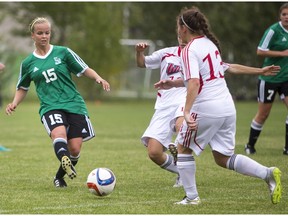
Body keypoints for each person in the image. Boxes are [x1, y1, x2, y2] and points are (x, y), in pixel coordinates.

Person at [155, 6, 282, 205]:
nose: (177, 31)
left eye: (178, 27)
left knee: (183, 148)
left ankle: (191, 198)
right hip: (226, 107)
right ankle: (268, 174)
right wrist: (260, 70)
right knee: (223, 158)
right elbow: (226, 69)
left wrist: (186, 111)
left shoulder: (189, 50)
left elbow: (196, 83)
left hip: (207, 107)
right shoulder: (209, 45)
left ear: (184, 29)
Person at [5, 17, 110, 188]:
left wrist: (98, 78)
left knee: (75, 149)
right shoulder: (28, 63)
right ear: (33, 35)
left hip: (74, 104)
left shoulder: (63, 52)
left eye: (47, 32)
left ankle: (59, 176)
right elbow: (22, 87)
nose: (44, 36)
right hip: (50, 106)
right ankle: (63, 158)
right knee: (58, 133)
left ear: (50, 33)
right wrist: (14, 103)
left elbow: (83, 69)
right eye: (40, 33)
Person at [135, 37, 186, 187]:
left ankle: (179, 148)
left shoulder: (198, 55)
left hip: (185, 99)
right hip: (163, 105)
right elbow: (142, 63)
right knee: (154, 152)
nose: (183, 38)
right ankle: (182, 171)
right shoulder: (166, 53)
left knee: (181, 124)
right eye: (180, 34)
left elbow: (225, 67)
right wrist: (139, 53)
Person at [245, 3, 288, 155]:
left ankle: (287, 148)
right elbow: (260, 51)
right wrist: (282, 53)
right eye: (284, 14)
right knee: (263, 114)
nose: (286, 17)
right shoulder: (273, 30)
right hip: (269, 78)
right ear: (280, 16)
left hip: (286, 79)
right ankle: (250, 145)